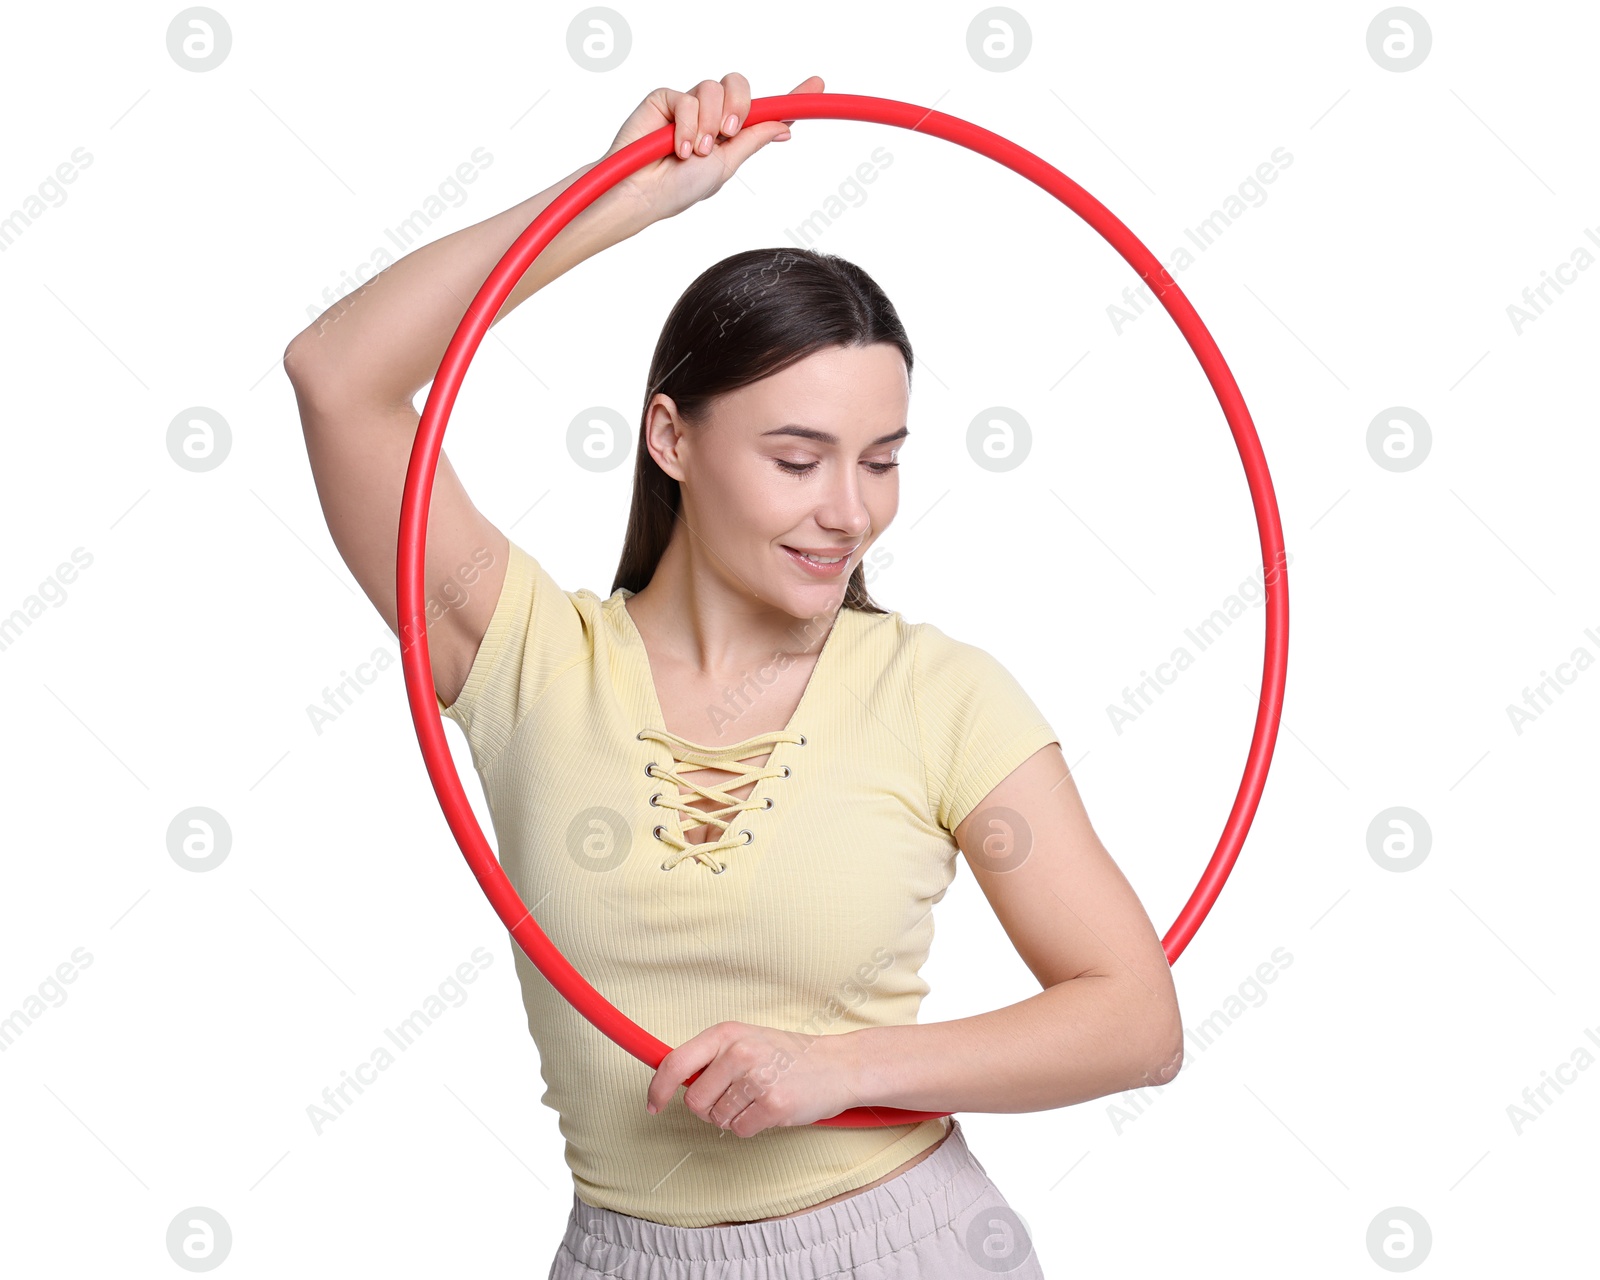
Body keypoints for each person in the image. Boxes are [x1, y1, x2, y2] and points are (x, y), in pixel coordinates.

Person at [285, 71, 1182, 1279]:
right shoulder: (527, 659)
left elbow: (1135, 1018)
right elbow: (337, 371)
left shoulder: (939, 692)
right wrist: (623, 199)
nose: (848, 511)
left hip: (911, 1244)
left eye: (880, 460)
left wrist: (836, 1069)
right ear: (670, 437)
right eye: (797, 457)